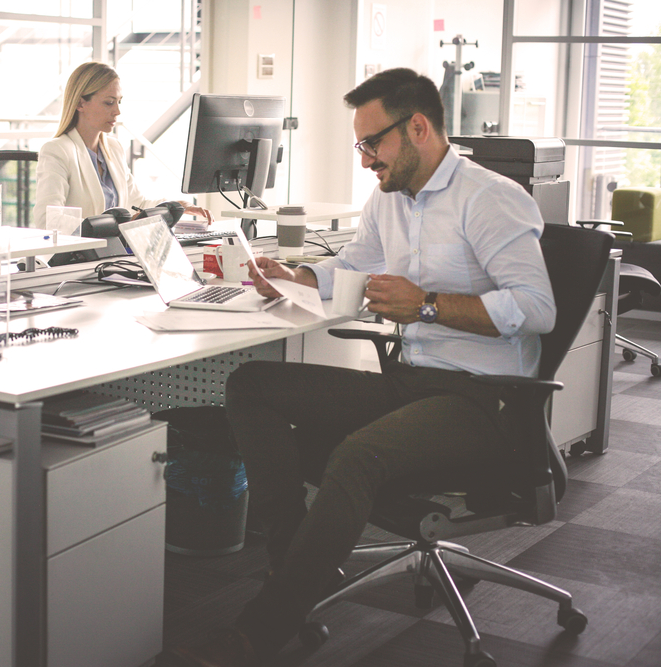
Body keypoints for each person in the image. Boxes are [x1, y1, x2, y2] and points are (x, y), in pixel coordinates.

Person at [171, 67, 557, 666]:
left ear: (419, 128)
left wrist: (426, 305)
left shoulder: (490, 199)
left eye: (371, 144)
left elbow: (537, 310)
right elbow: (354, 263)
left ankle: (259, 632)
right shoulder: (389, 199)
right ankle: (295, 562)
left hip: (484, 401)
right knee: (250, 385)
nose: (364, 160)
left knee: (357, 454)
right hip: (412, 383)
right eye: (361, 145)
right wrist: (298, 277)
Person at [32, 61, 211, 230]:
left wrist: (178, 205)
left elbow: (137, 204)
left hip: (112, 256)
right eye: (109, 102)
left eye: (119, 102)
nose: (117, 111)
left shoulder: (113, 148)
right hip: (78, 257)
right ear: (80, 103)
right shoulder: (57, 150)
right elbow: (47, 219)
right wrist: (111, 226)